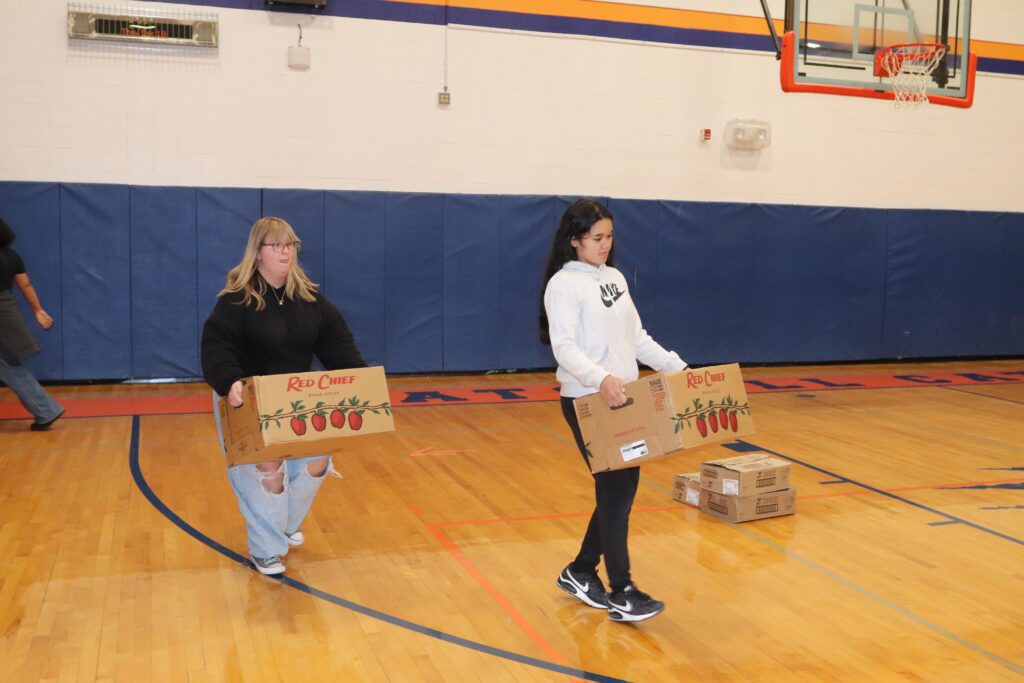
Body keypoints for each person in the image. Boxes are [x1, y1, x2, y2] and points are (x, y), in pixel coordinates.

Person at [541, 199, 687, 623]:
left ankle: (581, 570)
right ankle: (622, 590)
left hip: (625, 398)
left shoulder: (616, 278)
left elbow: (636, 337)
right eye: (596, 238)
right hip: (589, 400)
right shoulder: (563, 285)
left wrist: (678, 368)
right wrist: (600, 377)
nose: (606, 245)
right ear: (574, 240)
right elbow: (563, 347)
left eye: (610, 237)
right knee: (615, 489)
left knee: (620, 491)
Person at [201, 217, 365, 575]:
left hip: (295, 402)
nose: (285, 251)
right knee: (269, 471)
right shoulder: (236, 301)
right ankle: (266, 548)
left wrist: (358, 378)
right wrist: (229, 381)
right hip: (246, 403)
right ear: (257, 252)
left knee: (317, 460)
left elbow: (338, 344)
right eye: (276, 245)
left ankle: (283, 524)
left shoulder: (309, 299)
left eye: (290, 244)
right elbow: (216, 346)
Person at [0, 218, 64, 431]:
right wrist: (38, 309)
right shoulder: (12, 256)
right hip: (7, 309)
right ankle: (46, 410)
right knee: (7, 364)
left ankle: (45, 410)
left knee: (8, 365)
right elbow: (25, 284)